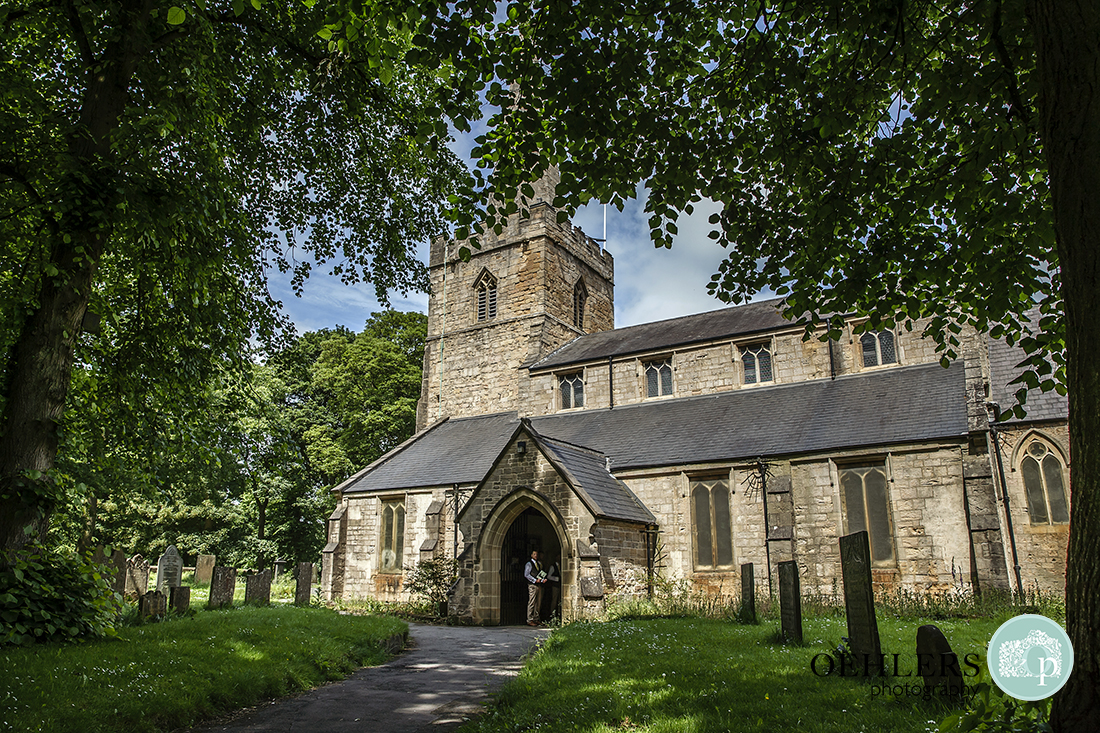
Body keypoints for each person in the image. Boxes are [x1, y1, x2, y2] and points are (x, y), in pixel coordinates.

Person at [523, 549, 546, 626]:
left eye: (537, 554)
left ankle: (536, 618)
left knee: (538, 603)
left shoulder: (538, 564)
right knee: (532, 602)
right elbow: (526, 574)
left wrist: (542, 580)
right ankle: (529, 619)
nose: (536, 556)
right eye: (534, 554)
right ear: (531, 555)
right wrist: (534, 580)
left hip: (538, 585)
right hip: (532, 585)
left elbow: (539, 574)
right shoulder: (529, 564)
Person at [545, 556, 561, 620]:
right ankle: (552, 614)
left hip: (560, 585)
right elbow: (548, 576)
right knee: (554, 599)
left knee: (560, 600)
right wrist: (556, 579)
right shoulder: (553, 566)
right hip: (555, 585)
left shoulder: (562, 565)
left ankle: (559, 614)